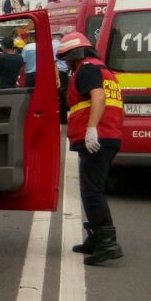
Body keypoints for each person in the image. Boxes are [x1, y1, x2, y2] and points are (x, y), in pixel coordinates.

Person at [58, 32, 124, 265]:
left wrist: (91, 128)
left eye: (66, 57)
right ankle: (95, 238)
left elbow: (98, 97)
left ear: (75, 54)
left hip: (98, 137)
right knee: (92, 188)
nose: (66, 62)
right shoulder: (104, 70)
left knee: (92, 191)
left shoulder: (86, 69)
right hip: (109, 136)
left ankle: (107, 242)